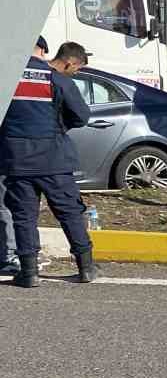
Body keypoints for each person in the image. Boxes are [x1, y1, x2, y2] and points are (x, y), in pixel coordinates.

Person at [2, 41, 95, 287]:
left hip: (16, 160)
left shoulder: (7, 75)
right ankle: (86, 268)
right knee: (69, 213)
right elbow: (82, 116)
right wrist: (58, 127)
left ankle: (30, 272)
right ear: (69, 62)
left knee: (24, 216)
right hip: (53, 160)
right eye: (76, 69)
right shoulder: (57, 79)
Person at [0, 35, 47, 274]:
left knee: (15, 207)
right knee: (14, 207)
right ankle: (14, 256)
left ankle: (20, 256)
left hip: (14, 154)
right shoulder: (45, 77)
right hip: (19, 156)